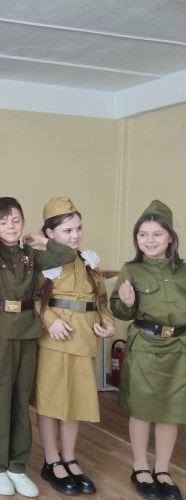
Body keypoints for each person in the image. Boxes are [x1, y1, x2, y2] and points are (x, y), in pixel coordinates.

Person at [0, 197, 75, 498]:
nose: (10, 226)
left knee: (20, 397)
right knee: (0, 396)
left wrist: (43, 240)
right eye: (3, 222)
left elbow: (66, 253)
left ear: (23, 222)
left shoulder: (30, 256)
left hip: (28, 329)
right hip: (0, 329)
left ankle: (16, 465)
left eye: (16, 220)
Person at [32, 197, 115, 496]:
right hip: (55, 338)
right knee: (50, 400)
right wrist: (50, 320)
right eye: (67, 230)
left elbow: (101, 300)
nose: (76, 235)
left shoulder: (90, 261)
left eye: (78, 228)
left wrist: (108, 321)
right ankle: (51, 460)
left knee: (76, 402)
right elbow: (33, 299)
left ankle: (69, 457)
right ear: (50, 233)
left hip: (84, 339)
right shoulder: (44, 261)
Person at [110, 200, 185, 500]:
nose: (149, 240)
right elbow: (118, 309)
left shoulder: (183, 271)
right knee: (142, 409)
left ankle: (163, 469)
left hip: (179, 348)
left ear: (170, 237)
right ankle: (140, 466)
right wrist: (126, 303)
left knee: (171, 411)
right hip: (144, 346)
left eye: (157, 234)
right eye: (143, 234)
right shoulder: (131, 270)